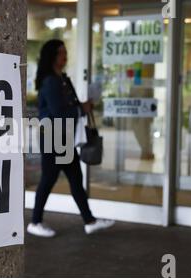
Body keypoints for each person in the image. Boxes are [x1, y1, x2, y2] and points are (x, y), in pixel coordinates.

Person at [27, 39, 115, 238]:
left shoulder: (62, 79)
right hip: (52, 136)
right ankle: (35, 222)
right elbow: (58, 111)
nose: (64, 56)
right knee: (49, 179)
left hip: (62, 136)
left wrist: (82, 106)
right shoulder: (50, 81)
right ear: (52, 56)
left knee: (75, 178)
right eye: (60, 53)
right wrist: (80, 108)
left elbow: (70, 106)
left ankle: (89, 221)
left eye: (65, 52)